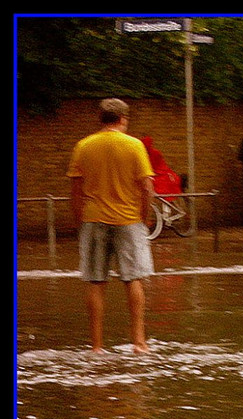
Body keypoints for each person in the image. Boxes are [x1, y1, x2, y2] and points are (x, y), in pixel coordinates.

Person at [66, 97, 155, 354]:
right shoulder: (134, 146)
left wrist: (79, 219)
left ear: (101, 119)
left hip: (94, 219)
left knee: (95, 282)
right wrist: (143, 216)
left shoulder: (83, 146)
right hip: (129, 219)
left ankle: (96, 345)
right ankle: (139, 342)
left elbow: (75, 190)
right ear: (123, 119)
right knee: (133, 280)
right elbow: (147, 188)